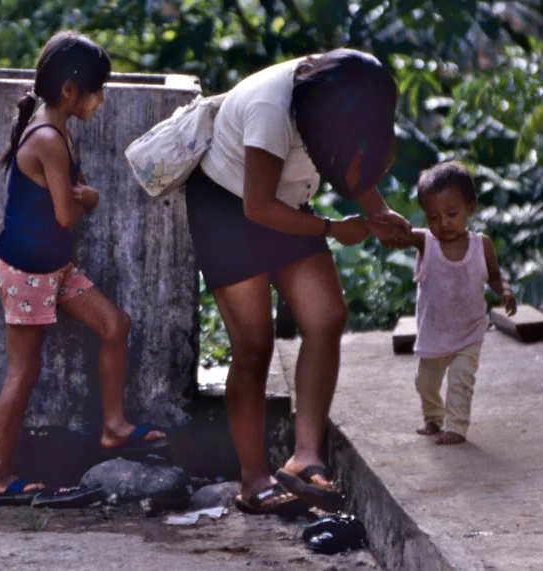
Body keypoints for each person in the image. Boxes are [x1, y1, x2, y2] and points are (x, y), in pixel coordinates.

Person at [186, 48, 412, 515]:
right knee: (253, 345)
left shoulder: (339, 89)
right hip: (230, 209)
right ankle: (253, 480)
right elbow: (258, 208)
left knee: (327, 316)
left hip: (284, 202)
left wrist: (376, 212)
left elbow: (342, 161)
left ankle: (305, 457)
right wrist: (334, 229)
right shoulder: (273, 107)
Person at [0, 31, 167, 506]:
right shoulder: (47, 137)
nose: (101, 100)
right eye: (98, 90)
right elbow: (67, 212)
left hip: (53, 266)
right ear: (69, 91)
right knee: (24, 371)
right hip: (28, 271)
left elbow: (64, 200)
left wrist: (82, 196)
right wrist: (93, 199)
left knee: (114, 324)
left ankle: (113, 426)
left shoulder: (55, 128)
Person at [407, 161, 516, 445]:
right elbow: (398, 235)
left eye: (452, 214)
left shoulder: (482, 245)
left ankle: (456, 426)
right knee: (425, 383)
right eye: (433, 217)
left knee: (460, 381)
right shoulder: (426, 243)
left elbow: (493, 276)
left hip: (469, 332)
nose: (443, 224)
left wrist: (504, 290)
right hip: (434, 332)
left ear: (471, 208)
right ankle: (433, 417)